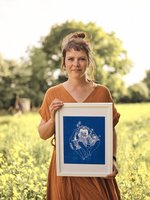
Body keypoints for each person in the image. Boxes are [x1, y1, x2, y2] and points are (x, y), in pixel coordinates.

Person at [38, 31, 121, 200]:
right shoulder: (53, 93)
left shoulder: (102, 92)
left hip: (96, 168)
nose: (76, 64)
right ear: (64, 63)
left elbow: (110, 131)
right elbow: (43, 134)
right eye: (71, 59)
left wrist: (112, 159)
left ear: (88, 62)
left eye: (81, 58)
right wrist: (53, 119)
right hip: (65, 168)